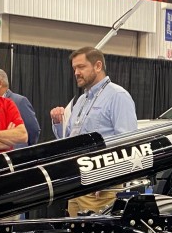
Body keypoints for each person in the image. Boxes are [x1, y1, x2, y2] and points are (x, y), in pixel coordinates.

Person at [49, 47, 137, 216]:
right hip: (77, 181)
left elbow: (127, 142)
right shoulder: (81, 100)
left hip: (101, 185)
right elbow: (67, 139)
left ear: (98, 66)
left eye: (81, 67)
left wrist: (107, 178)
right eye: (74, 68)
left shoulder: (118, 96)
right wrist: (58, 122)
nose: (76, 72)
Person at [0, 69, 40, 147]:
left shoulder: (19, 101)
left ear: (0, 83)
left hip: (18, 154)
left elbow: (33, 129)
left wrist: (27, 148)